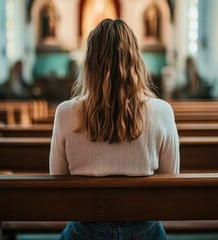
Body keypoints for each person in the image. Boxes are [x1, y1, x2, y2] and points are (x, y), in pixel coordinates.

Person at [49, 19, 179, 240]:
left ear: (89, 62)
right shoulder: (162, 111)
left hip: (85, 229)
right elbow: (170, 179)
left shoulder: (65, 112)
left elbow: (57, 176)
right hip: (144, 229)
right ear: (135, 60)